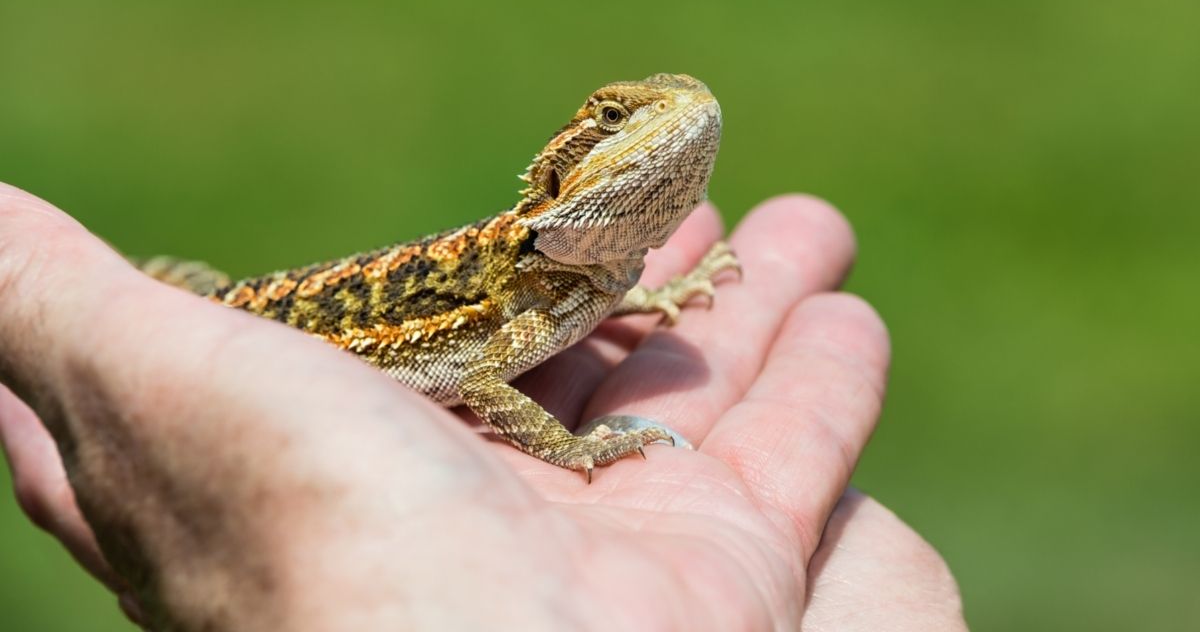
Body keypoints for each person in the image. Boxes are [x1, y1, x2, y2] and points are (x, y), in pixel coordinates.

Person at [0, 183, 966, 630]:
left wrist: (653, 293)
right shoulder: (517, 278)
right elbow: (476, 375)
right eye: (614, 120)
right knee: (185, 290)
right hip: (273, 323)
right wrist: (572, 447)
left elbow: (576, 299)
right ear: (559, 182)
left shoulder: (579, 278)